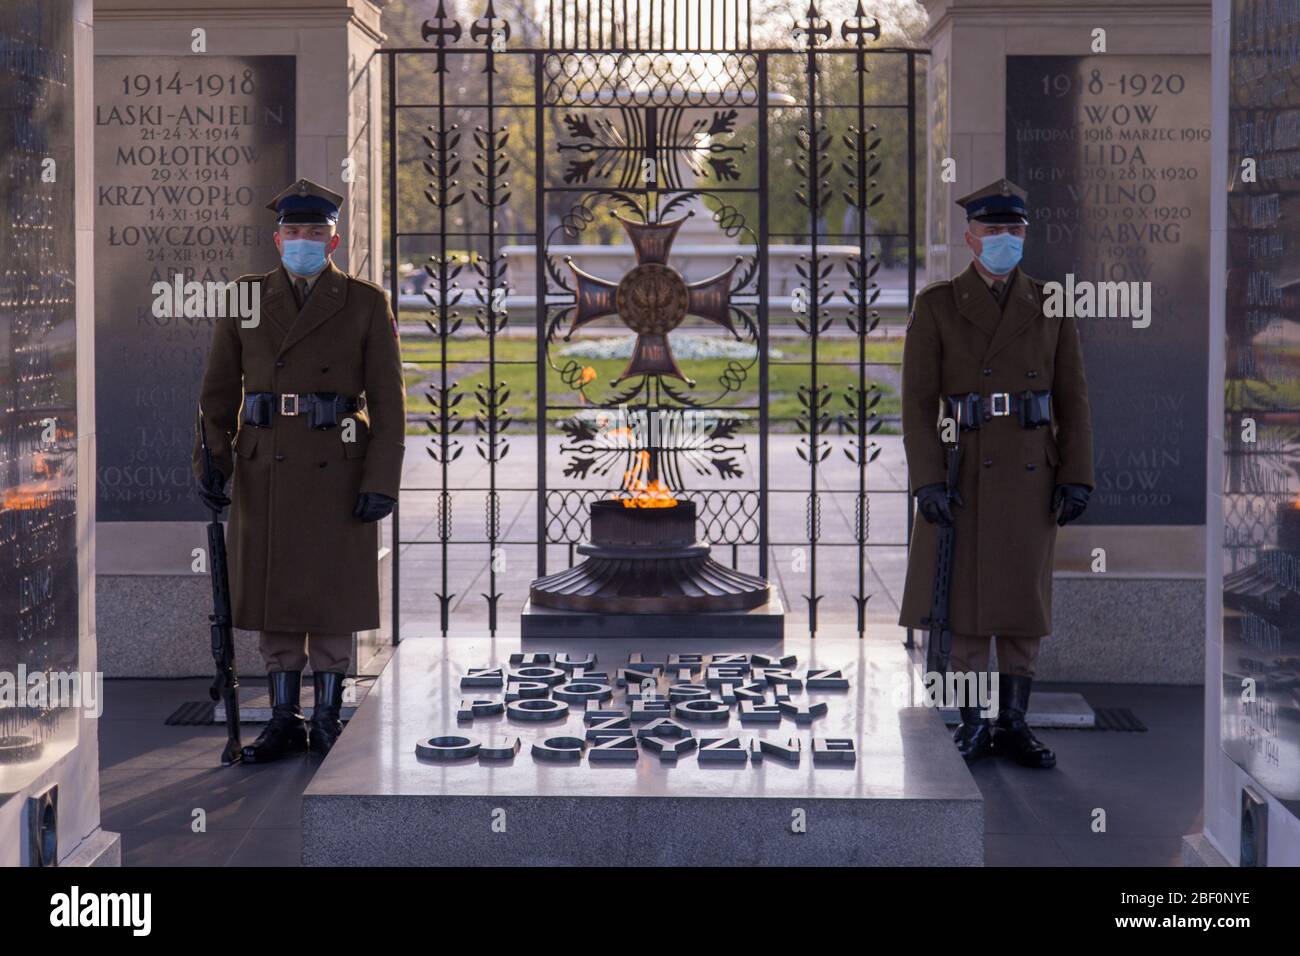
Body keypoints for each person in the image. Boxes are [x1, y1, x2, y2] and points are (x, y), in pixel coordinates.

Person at [192, 178, 406, 762]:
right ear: (277, 239)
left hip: (337, 464)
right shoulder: (246, 297)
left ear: (333, 242)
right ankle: (284, 721)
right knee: (276, 591)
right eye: (294, 232)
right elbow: (216, 392)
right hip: (268, 467)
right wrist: (213, 462)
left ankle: (327, 720)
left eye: (316, 232)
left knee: (332, 594)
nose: (304, 241)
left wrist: (381, 479)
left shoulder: (364, 302)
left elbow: (388, 401)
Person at [899, 178, 1094, 769]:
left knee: (1020, 608)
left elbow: (1074, 397)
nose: (1004, 239)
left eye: (1014, 230)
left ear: (1025, 235)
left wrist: (1076, 474)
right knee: (963, 613)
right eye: (992, 230)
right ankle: (971, 726)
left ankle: (1013, 726)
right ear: (970, 238)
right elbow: (917, 403)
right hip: (964, 475)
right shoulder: (937, 305)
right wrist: (927, 481)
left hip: (1031, 476)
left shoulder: (1050, 302)